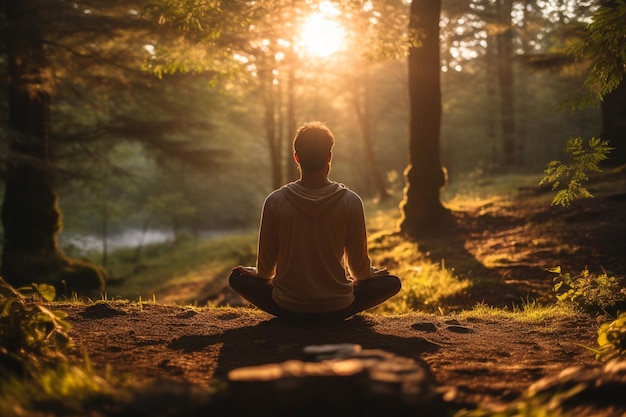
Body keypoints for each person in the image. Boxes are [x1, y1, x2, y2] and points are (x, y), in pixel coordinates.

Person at [229, 121, 401, 321]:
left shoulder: (275, 201)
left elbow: (266, 272)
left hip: (286, 307)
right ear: (329, 157)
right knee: (392, 282)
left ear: (296, 157)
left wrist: (255, 272)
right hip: (337, 308)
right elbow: (359, 273)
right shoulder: (350, 201)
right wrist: (371, 274)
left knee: (237, 278)